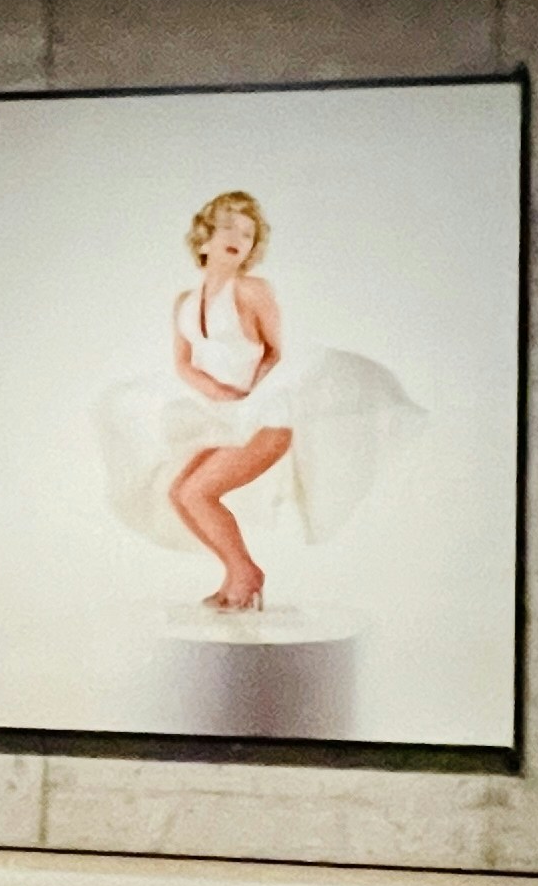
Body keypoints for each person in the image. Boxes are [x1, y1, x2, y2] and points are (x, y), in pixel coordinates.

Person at [96, 188, 422, 608]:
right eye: (229, 228)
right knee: (179, 493)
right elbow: (184, 364)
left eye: (248, 234)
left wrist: (251, 395)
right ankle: (238, 574)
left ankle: (246, 574)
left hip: (265, 418)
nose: (239, 238)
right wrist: (217, 393)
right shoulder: (184, 302)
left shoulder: (252, 290)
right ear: (204, 238)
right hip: (221, 417)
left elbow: (277, 352)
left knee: (197, 493)